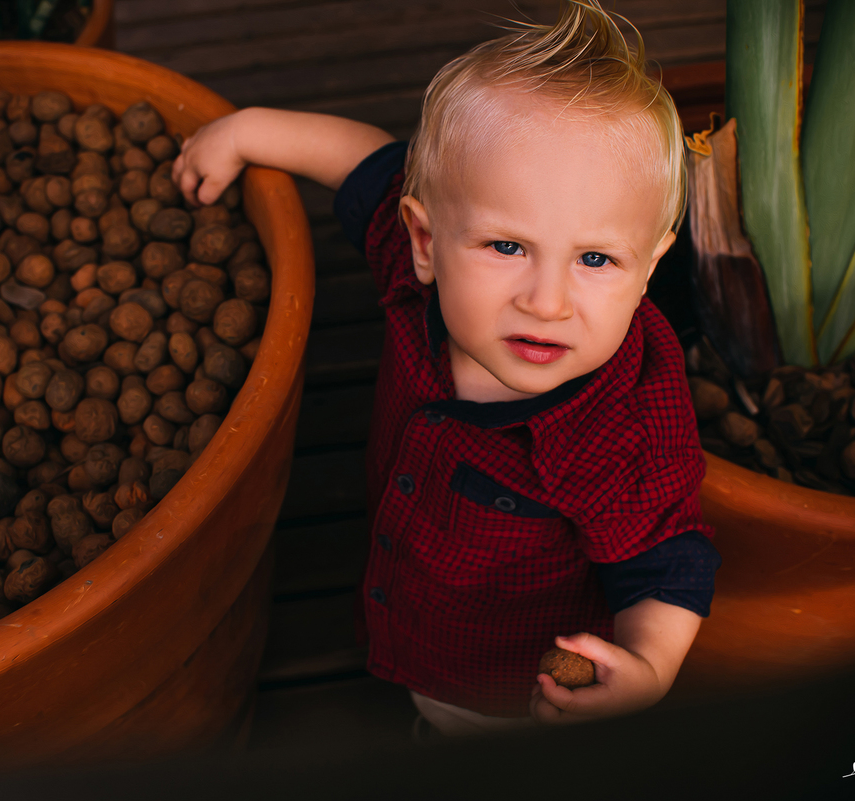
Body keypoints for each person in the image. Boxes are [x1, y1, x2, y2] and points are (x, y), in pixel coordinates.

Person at [172, 0, 721, 736]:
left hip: (505, 685)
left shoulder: (622, 428)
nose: (547, 300)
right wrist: (247, 130)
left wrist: (648, 667)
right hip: (405, 589)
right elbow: (362, 162)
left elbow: (664, 559)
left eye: (596, 259)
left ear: (648, 268)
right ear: (425, 239)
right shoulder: (412, 269)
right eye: (506, 246)